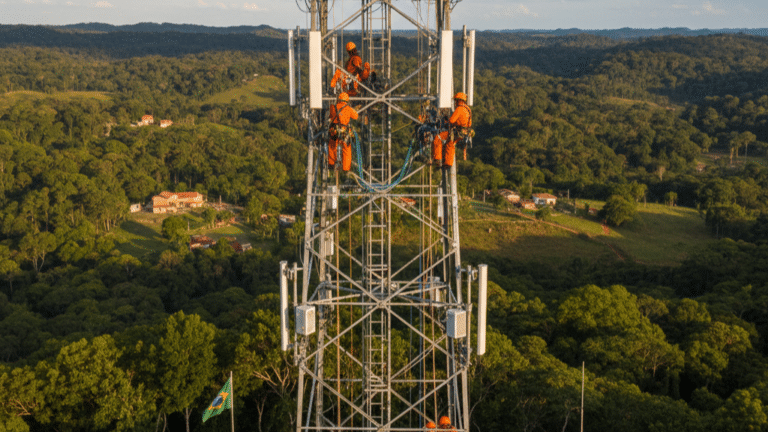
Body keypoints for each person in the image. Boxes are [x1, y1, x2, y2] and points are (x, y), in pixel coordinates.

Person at [431, 92, 472, 168]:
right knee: (450, 143)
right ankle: (448, 163)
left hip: (456, 131)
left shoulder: (459, 109)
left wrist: (446, 121)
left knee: (438, 138)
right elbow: (469, 123)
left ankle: (437, 160)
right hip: (464, 133)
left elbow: (452, 120)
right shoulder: (468, 109)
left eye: (456, 101)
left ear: (459, 100)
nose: (455, 102)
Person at [328, 92, 358, 172]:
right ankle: (346, 168)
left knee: (332, 146)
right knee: (346, 148)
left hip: (334, 129)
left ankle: (331, 164)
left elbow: (331, 116)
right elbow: (356, 116)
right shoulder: (348, 108)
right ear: (347, 100)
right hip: (344, 130)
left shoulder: (332, 107)